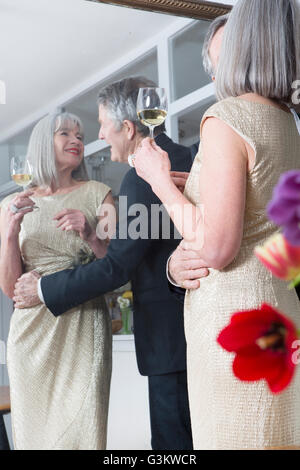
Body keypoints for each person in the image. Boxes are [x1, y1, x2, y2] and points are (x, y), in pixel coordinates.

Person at [133, 0, 300, 449]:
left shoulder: (226, 118)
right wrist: (197, 186)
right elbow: (262, 212)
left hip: (235, 320)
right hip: (279, 311)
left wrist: (158, 181)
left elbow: (217, 248)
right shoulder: (287, 121)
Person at [13, 77, 203, 450]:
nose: (99, 135)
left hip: (170, 342)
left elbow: (118, 266)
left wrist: (42, 288)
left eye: (102, 125)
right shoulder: (190, 158)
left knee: (173, 447)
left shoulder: (138, 179)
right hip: (199, 330)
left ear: (128, 128)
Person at [0, 112, 114, 449]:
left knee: (83, 432)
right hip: (30, 336)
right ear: (41, 145)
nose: (76, 140)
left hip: (83, 328)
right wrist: (10, 233)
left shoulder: (99, 194)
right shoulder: (10, 206)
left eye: (79, 135)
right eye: (65, 133)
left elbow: (116, 271)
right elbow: (10, 289)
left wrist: (92, 234)